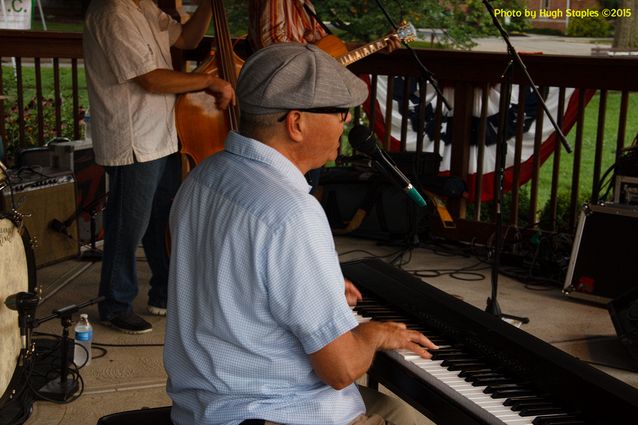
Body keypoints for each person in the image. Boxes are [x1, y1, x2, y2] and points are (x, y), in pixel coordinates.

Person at [164, 42, 437, 425]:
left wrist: (308, 283)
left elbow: (221, 275)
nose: (346, 123)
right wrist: (374, 335)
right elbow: (340, 370)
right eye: (340, 112)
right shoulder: (291, 211)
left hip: (204, 409)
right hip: (276, 413)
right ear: (296, 123)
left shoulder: (205, 176)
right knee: (414, 418)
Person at [83, 0, 235, 334]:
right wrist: (207, 82)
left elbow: (188, 40)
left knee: (163, 220)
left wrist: (210, 5)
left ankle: (164, 293)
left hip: (163, 135)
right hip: (133, 138)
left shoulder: (144, 7)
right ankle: (114, 304)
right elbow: (150, 80)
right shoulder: (113, 11)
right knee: (128, 226)